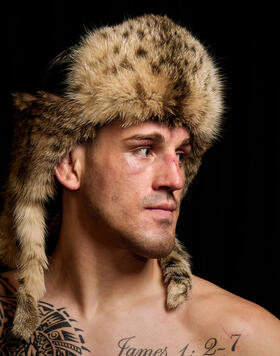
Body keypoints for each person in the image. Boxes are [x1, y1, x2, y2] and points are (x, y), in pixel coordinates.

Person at [0, 14, 279, 355]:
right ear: (68, 164)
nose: (175, 179)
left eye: (181, 153)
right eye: (145, 149)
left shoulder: (248, 338)